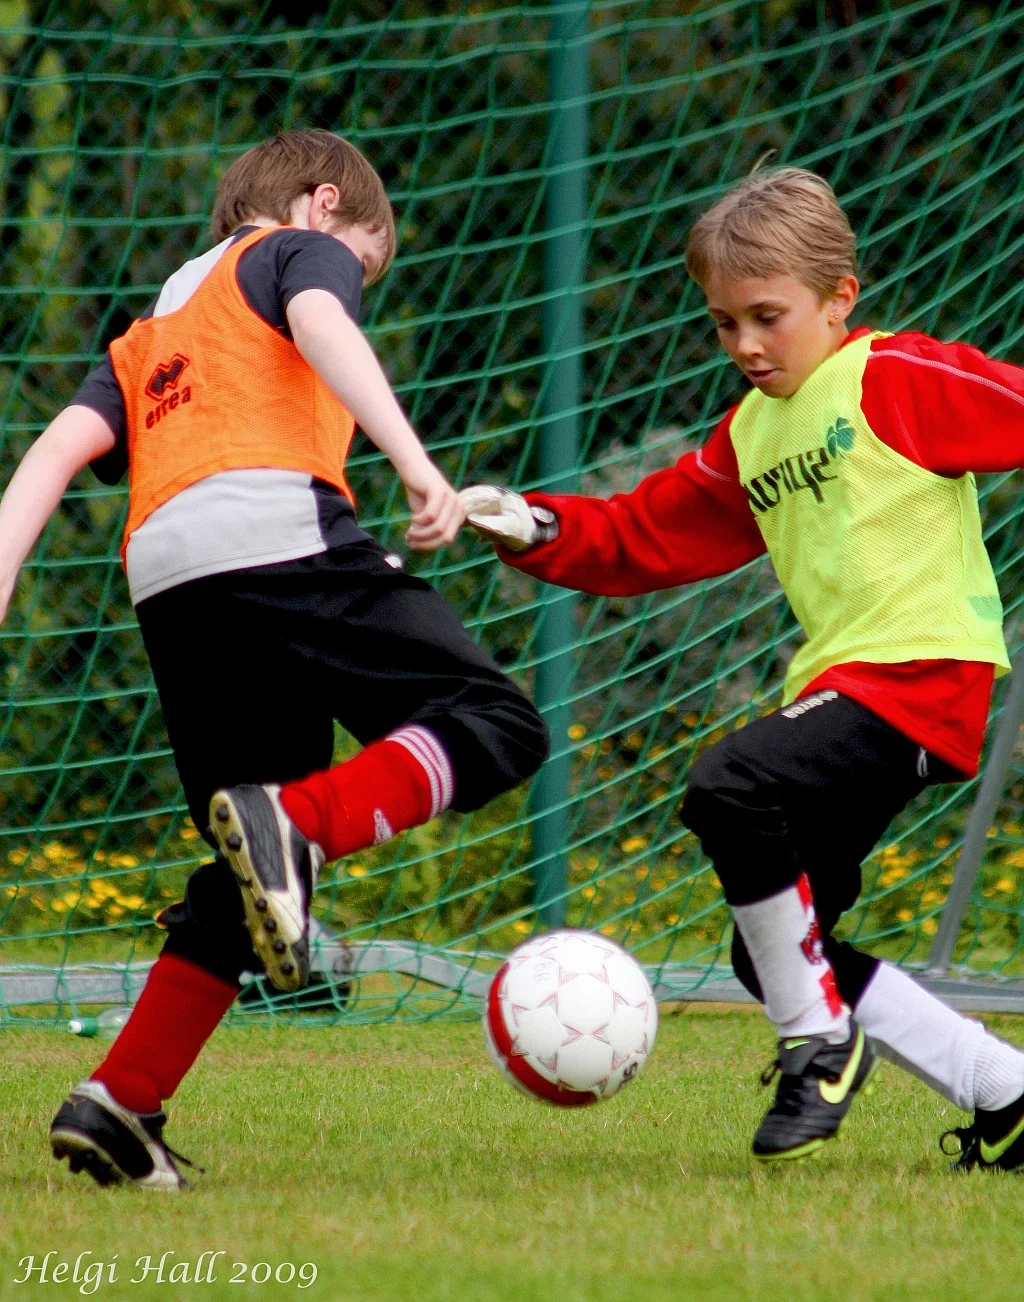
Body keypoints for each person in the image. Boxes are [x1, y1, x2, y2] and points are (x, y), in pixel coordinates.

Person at [0, 129, 547, 1189]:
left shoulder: (156, 326)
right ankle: (297, 827)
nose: (354, 286)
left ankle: (118, 1103)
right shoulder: (293, 251)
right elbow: (317, 318)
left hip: (168, 582)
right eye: (363, 264)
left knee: (248, 880)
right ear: (321, 203)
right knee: (497, 723)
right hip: (277, 532)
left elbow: (57, 450)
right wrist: (411, 457)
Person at [460, 165, 1024, 1168]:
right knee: (772, 946)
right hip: (843, 691)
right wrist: (535, 524)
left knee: (731, 783)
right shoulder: (753, 434)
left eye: (767, 316)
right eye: (723, 324)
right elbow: (643, 534)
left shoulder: (894, 376)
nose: (746, 346)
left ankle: (818, 1046)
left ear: (838, 298)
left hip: (920, 679)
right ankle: (1005, 1091)